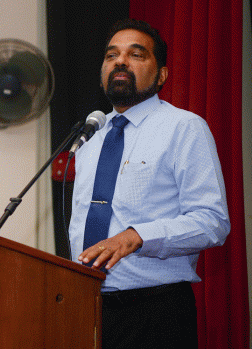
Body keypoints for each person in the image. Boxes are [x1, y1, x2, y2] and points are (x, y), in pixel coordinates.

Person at [68, 19, 230, 348]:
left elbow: (212, 222)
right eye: (111, 55)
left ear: (162, 75)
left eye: (136, 54)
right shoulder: (90, 136)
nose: (120, 61)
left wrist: (138, 236)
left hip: (156, 313)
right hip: (87, 309)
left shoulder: (184, 127)